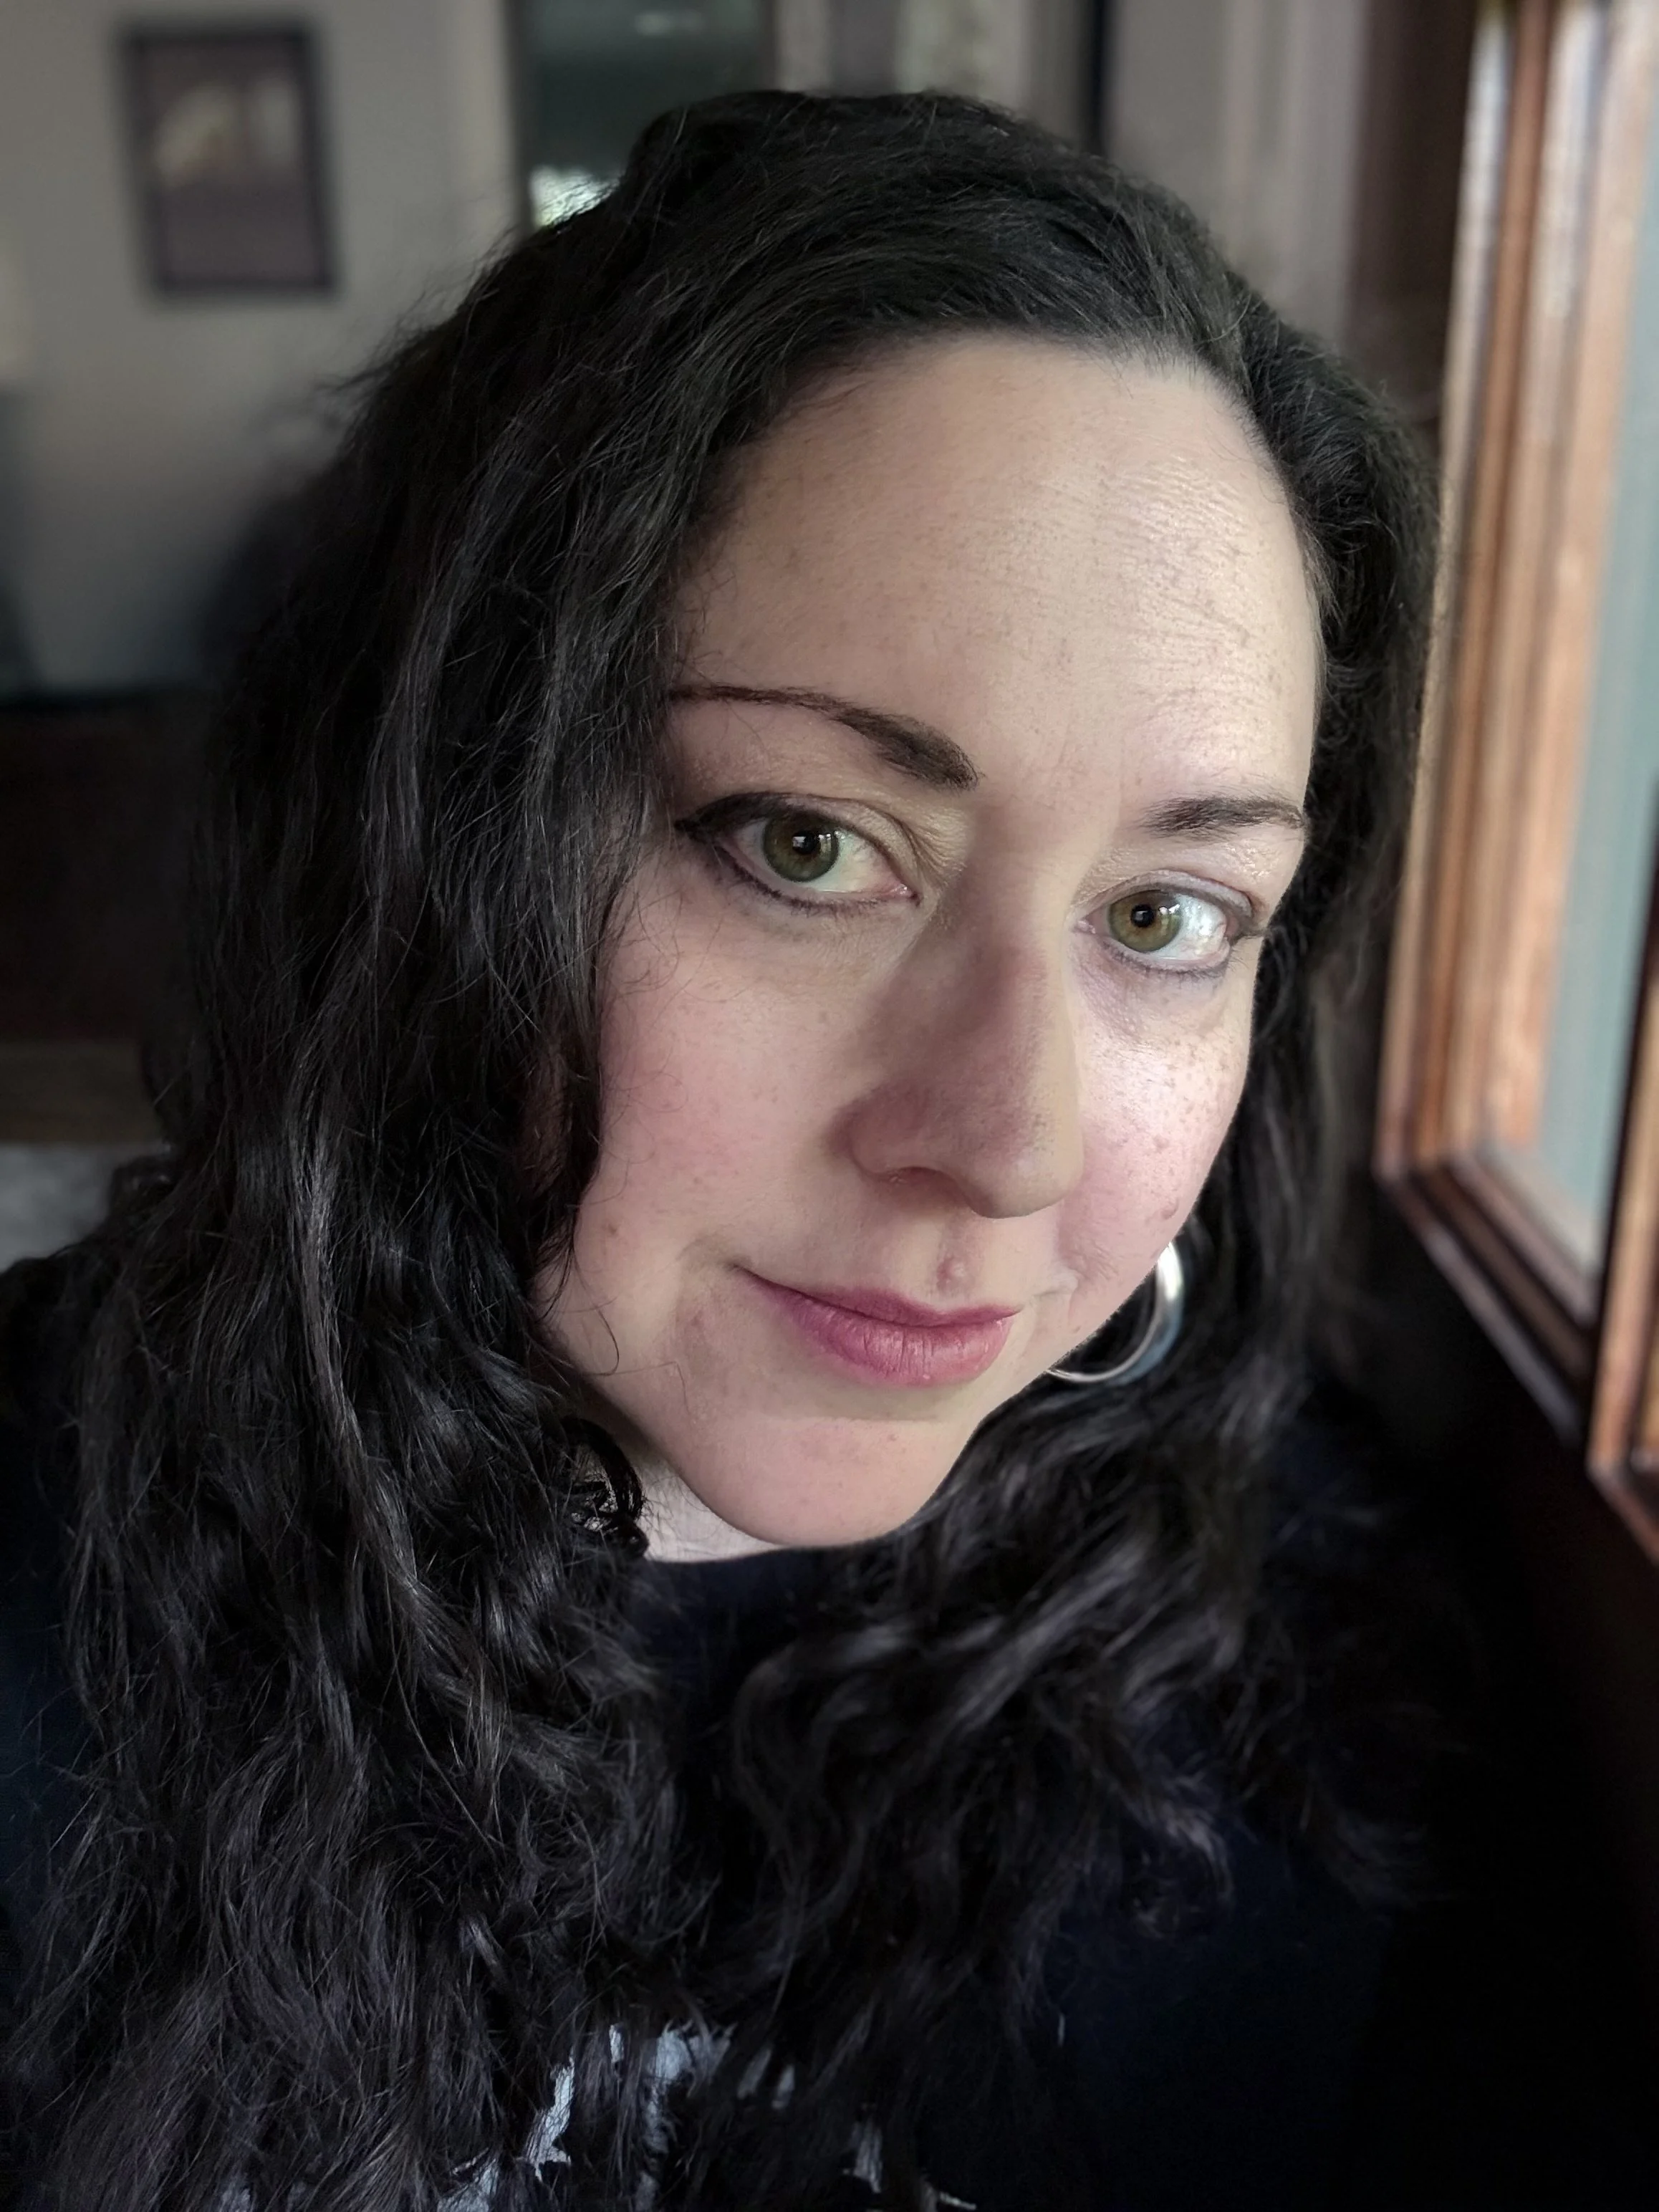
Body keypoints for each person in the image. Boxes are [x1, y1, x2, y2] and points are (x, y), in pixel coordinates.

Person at [0, 90, 1432, 2212]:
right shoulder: (44, 1590)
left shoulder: (1306, 1687)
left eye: (1164, 916)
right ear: (433, 831)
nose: (1009, 1145)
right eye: (806, 845)